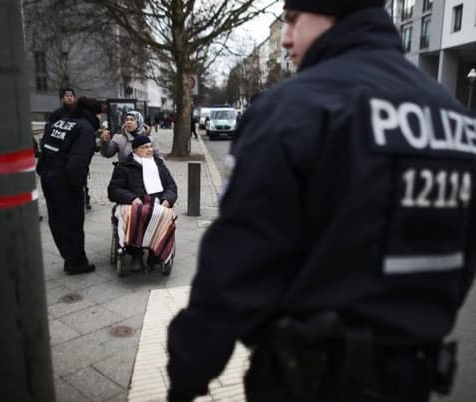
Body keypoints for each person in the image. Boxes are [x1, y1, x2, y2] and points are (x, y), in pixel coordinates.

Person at [167, 1, 476, 401]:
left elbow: (235, 268)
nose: (286, 38)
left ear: (334, 13)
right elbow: (461, 259)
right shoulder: (459, 123)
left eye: (293, 20)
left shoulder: (292, 110)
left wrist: (189, 372)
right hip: (412, 379)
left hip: (305, 381)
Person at [36, 97, 103, 275]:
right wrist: (76, 186)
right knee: (72, 221)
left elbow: (45, 146)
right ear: (94, 113)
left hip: (47, 176)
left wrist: (42, 170)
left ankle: (68, 257)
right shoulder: (85, 129)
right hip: (65, 180)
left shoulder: (61, 122)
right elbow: (78, 161)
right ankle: (76, 262)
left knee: (57, 220)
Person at [108, 135, 177, 272]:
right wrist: (131, 198)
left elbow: (171, 186)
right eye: (144, 147)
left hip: (157, 201)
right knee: (135, 214)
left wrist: (167, 199)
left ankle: (156, 253)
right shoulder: (124, 166)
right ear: (135, 150)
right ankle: (136, 254)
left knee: (163, 214)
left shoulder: (159, 164)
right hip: (132, 202)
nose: (149, 149)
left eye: (150, 146)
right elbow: (114, 189)